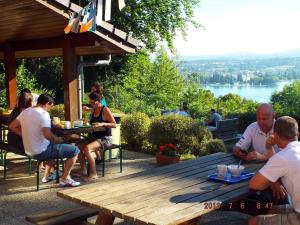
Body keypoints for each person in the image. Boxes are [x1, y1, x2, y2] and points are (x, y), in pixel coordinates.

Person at [9, 94, 80, 187]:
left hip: (28, 150)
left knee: (54, 146)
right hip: (40, 151)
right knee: (74, 150)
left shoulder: (26, 111)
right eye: (51, 106)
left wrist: (26, 135)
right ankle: (65, 179)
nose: (50, 109)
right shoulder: (44, 114)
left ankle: (49, 175)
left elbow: (12, 126)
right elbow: (47, 135)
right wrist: (57, 139)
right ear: (47, 103)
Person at [248, 116, 300, 225]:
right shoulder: (292, 152)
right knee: (273, 210)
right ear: (298, 134)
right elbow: (276, 169)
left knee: (253, 222)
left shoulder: (283, 156)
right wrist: (269, 147)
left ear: (275, 136)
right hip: (297, 208)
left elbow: (254, 185)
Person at [78, 92, 116, 181]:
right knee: (78, 147)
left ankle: (94, 174)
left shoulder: (105, 109)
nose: (91, 105)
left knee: (87, 149)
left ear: (98, 102)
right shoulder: (94, 109)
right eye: (90, 102)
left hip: (105, 138)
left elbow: (114, 124)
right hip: (94, 137)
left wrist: (102, 123)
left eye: (93, 103)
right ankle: (83, 170)